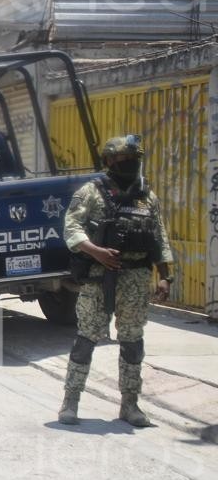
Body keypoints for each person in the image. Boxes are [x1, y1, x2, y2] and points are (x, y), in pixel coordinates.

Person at [58, 135, 173, 428]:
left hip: (135, 279)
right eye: (124, 160)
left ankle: (130, 404)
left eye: (135, 159)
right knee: (86, 339)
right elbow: (71, 228)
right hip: (98, 279)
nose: (131, 165)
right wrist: (96, 251)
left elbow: (159, 236)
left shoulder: (147, 196)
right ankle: (70, 401)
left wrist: (165, 275)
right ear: (109, 162)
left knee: (133, 342)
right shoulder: (91, 192)